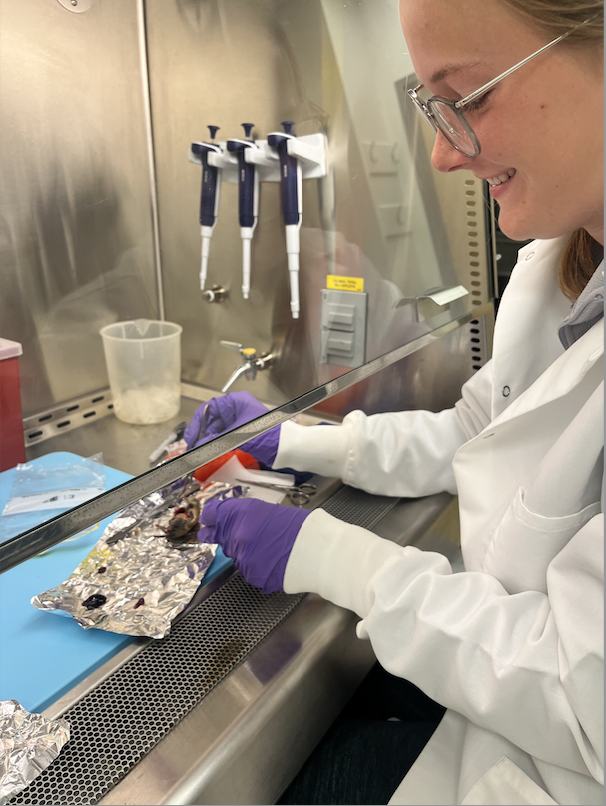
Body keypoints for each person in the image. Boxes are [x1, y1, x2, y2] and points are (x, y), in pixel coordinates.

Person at [185, 1, 604, 803]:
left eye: (470, 96)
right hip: (493, 716)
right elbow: (476, 434)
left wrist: (336, 558)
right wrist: (300, 443)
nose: (443, 153)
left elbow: (584, 696)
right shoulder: (558, 258)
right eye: (429, 104)